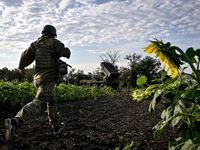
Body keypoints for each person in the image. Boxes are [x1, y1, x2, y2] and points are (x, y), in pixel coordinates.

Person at [5, 25, 71, 142]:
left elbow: (24, 56)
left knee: (52, 100)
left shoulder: (35, 44)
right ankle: (15, 122)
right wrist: (66, 51)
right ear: (53, 34)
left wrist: (22, 67)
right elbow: (66, 53)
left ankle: (56, 126)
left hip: (37, 79)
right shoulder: (54, 42)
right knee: (39, 102)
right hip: (48, 79)